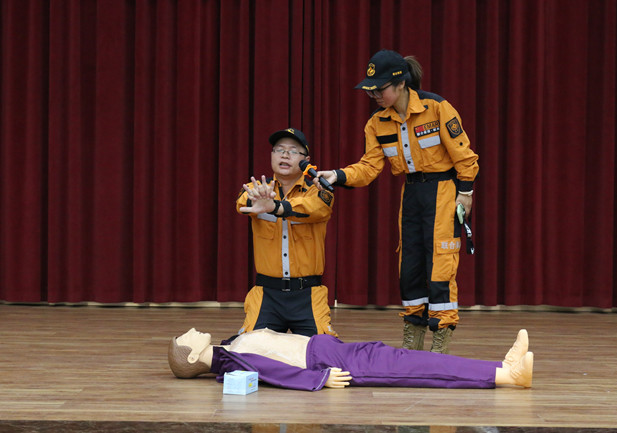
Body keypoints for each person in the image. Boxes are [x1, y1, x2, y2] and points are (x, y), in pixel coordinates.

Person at [315, 50, 479, 353]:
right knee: (410, 265)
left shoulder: (436, 108)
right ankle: (413, 338)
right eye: (370, 90)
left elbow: (465, 157)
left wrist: (465, 193)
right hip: (412, 193)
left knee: (440, 263)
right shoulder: (377, 123)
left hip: (443, 190)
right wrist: (337, 175)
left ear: (401, 83)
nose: (374, 95)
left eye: (380, 89)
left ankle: (441, 336)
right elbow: (369, 168)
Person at [167, 328, 533, 391]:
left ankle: (502, 369)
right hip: (325, 362)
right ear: (194, 354)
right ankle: (506, 374)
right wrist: (318, 379)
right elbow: (272, 371)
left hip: (327, 350)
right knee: (412, 366)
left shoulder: (230, 348)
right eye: (187, 338)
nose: (192, 330)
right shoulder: (232, 360)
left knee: (406, 359)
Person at [235, 128, 337, 337]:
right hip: (266, 294)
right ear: (272, 155)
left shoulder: (319, 191)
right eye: (279, 150)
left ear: (305, 161)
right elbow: (242, 203)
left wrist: (274, 206)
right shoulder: (258, 189)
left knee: (323, 351)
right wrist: (257, 200)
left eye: (293, 151)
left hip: (308, 294)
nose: (284, 155)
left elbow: (315, 208)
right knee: (246, 350)